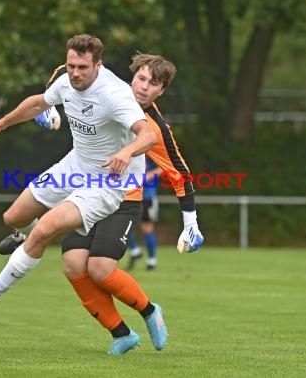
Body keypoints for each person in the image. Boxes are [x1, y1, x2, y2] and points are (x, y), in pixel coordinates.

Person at [0, 34, 157, 350]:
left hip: (106, 183)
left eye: (83, 67)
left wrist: (126, 153)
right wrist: (3, 122)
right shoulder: (67, 82)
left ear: (98, 65)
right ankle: (22, 239)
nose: (76, 73)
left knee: (46, 228)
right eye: (71, 66)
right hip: (74, 166)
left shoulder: (115, 94)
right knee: (14, 216)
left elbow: (147, 135)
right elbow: (40, 102)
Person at [11, 53, 203, 354]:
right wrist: (48, 107)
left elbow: (178, 172)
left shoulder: (155, 128)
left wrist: (190, 222)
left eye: (154, 84)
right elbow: (67, 68)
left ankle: (150, 311)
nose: (144, 87)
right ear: (132, 76)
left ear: (161, 91)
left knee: (99, 268)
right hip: (84, 193)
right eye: (141, 78)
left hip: (123, 202)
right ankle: (121, 333)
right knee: (73, 265)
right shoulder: (108, 91)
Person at [126, 156, 162, 271]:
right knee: (125, 225)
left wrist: (147, 177)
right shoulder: (129, 149)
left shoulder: (152, 152)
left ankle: (151, 260)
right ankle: (135, 250)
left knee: (147, 228)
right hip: (129, 195)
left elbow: (163, 167)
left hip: (148, 197)